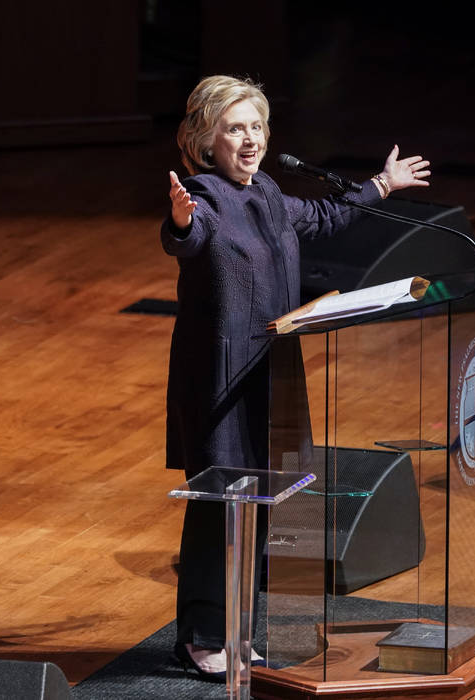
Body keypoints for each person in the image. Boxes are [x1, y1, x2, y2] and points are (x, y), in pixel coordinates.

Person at [161, 75, 430, 680]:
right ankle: (202, 637)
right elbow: (187, 238)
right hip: (222, 378)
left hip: (274, 369)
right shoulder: (202, 196)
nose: (251, 139)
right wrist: (179, 222)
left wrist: (382, 184)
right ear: (207, 140)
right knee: (218, 506)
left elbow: (326, 217)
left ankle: (239, 632)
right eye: (235, 128)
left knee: (261, 503)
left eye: (257, 126)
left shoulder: (270, 194)